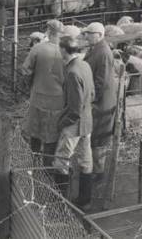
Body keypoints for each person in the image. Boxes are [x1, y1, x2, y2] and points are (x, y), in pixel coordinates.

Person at [52, 36, 95, 208]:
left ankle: (59, 202)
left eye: (59, 48)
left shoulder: (72, 72)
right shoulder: (85, 65)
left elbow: (74, 108)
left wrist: (62, 123)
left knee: (61, 161)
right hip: (87, 122)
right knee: (86, 160)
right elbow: (92, 95)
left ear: (63, 50)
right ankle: (85, 200)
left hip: (74, 124)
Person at [21, 19, 64, 164]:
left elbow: (25, 70)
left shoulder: (38, 48)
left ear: (48, 31)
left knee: (36, 129)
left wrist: (30, 84)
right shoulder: (66, 51)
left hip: (39, 96)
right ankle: (48, 166)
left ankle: (35, 159)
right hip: (58, 100)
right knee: (52, 133)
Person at [82, 22, 117, 191]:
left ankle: (99, 171)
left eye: (89, 33)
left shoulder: (102, 52)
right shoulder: (97, 48)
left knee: (99, 137)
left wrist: (91, 99)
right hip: (98, 101)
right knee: (95, 136)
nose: (86, 36)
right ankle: (96, 169)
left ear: (98, 34)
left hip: (101, 104)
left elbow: (101, 81)